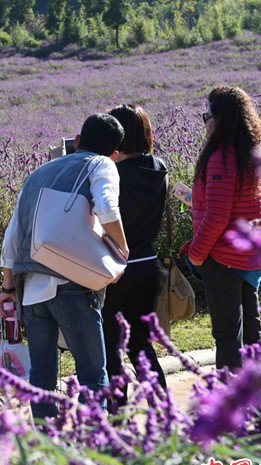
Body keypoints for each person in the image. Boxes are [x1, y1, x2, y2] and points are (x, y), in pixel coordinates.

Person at [0, 114, 129, 421]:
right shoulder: (101, 164)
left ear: (78, 141)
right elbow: (107, 208)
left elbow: (13, 234)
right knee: (93, 375)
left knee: (41, 378)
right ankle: (94, 440)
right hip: (73, 285)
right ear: (114, 154)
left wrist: (7, 288)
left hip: (31, 289)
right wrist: (122, 249)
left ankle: (47, 441)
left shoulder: (38, 174)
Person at [184, 86, 261, 370]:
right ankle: (259, 388)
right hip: (254, 253)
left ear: (220, 118)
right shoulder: (260, 148)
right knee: (251, 330)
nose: (205, 122)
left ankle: (229, 393)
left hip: (225, 257)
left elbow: (217, 217)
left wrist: (196, 255)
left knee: (227, 336)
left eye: (207, 116)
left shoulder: (223, 157)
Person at [102, 104, 168, 409]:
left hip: (114, 266)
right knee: (141, 343)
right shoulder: (159, 168)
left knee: (112, 345)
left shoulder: (111, 174)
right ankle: (162, 408)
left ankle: (117, 414)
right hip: (146, 265)